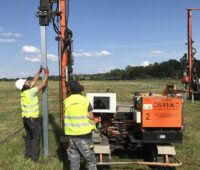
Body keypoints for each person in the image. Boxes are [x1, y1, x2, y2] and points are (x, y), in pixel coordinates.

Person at [15, 67, 49, 162]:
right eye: (26, 82)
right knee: (36, 136)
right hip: (32, 119)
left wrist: (38, 72)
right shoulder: (30, 92)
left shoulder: (24, 92)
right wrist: (46, 74)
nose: (28, 82)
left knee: (29, 136)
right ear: (25, 86)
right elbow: (42, 84)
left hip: (26, 118)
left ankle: (27, 155)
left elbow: (33, 81)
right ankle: (35, 159)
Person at [63, 80, 97, 170]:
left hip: (71, 135)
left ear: (70, 90)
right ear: (81, 89)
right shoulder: (85, 100)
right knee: (90, 160)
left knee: (74, 159)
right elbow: (91, 116)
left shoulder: (66, 101)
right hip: (84, 135)